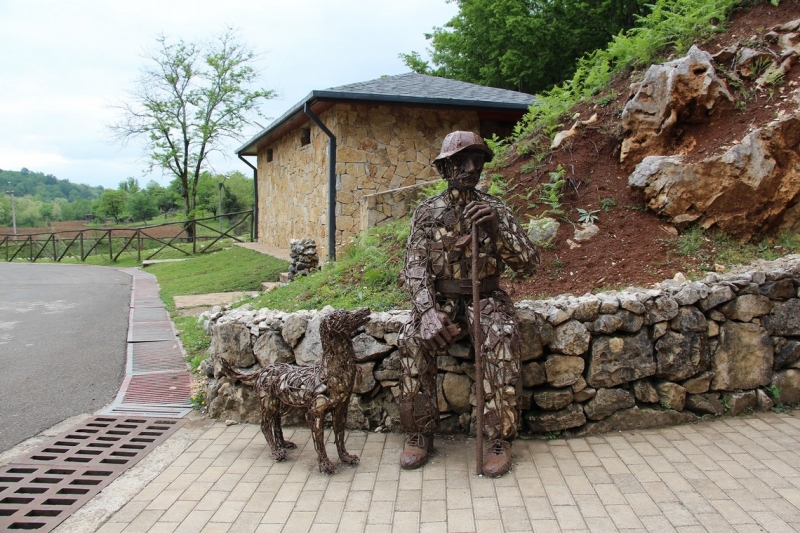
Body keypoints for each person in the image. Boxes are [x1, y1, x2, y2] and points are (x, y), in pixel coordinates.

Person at [398, 130, 540, 477]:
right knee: (411, 339)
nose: (471, 167)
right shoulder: (427, 213)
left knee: (501, 338)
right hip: (442, 300)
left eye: (477, 160)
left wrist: (496, 230)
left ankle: (498, 438)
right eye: (461, 161)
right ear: (445, 169)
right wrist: (427, 312)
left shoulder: (496, 209)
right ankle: (420, 431)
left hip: (486, 297)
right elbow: (414, 267)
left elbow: (529, 264)